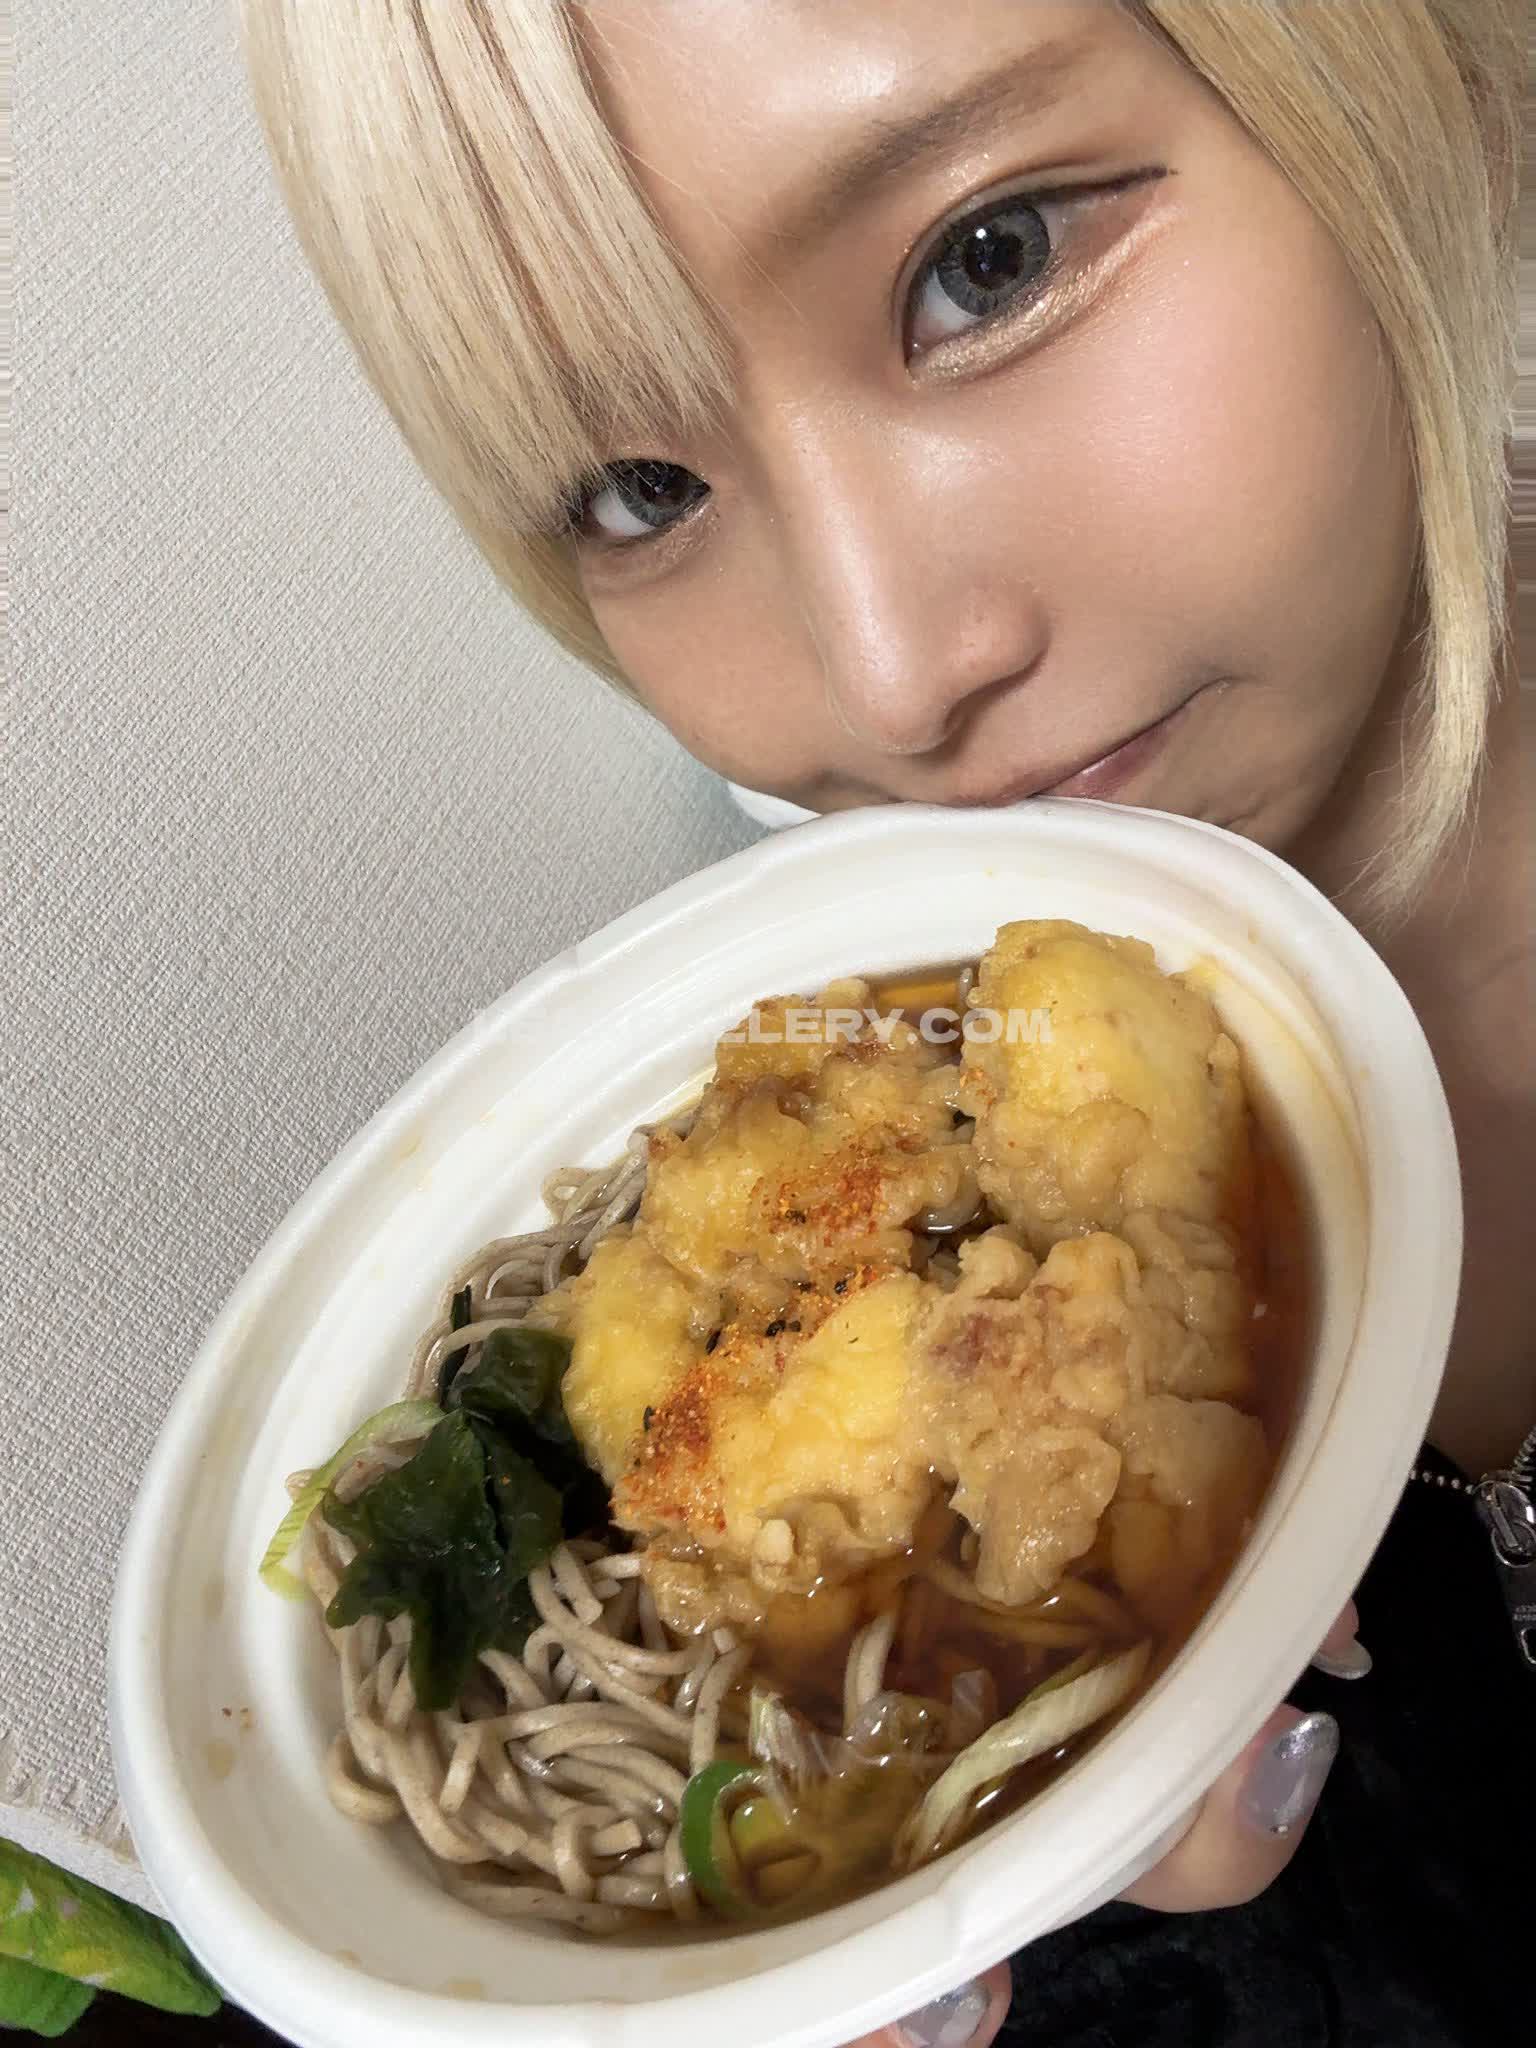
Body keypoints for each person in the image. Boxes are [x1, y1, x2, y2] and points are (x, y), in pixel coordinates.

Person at [238, 4, 1532, 2042]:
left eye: (988, 262)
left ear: (1420, 70)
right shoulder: (884, 1119)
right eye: (642, 486)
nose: (890, 670)